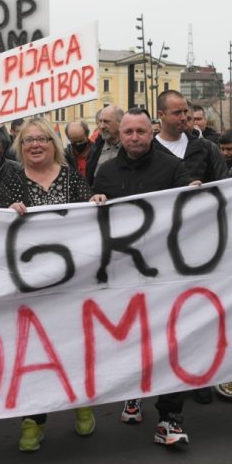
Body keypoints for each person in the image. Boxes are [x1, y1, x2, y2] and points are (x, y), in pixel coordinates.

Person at [90, 109, 195, 446]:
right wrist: (95, 202)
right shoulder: (105, 172)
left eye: (140, 131)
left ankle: (169, 416)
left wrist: (195, 194)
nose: (134, 137)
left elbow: (191, 213)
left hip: (165, 271)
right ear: (119, 135)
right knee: (131, 338)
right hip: (123, 272)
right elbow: (93, 220)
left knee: (169, 341)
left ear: (151, 132)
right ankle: (134, 392)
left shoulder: (173, 168)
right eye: (128, 132)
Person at [0, 117, 97, 450]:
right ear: (20, 147)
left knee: (71, 347)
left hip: (70, 281)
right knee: (33, 352)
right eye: (28, 140)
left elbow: (88, 215)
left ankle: (80, 402)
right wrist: (5, 212)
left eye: (42, 139)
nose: (35, 145)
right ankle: (33, 418)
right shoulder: (9, 180)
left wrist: (96, 203)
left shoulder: (71, 177)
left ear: (54, 145)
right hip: (29, 284)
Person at [153, 90, 230, 401]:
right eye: (176, 113)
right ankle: (167, 377)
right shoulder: (148, 150)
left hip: (201, 245)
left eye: (186, 111)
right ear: (160, 115)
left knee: (198, 311)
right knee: (165, 315)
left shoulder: (206, 148)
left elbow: (226, 187)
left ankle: (199, 375)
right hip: (160, 248)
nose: (184, 118)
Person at [85, 105, 123, 185]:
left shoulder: (131, 148)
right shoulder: (95, 149)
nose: (101, 126)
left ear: (120, 122)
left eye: (106, 122)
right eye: (100, 121)